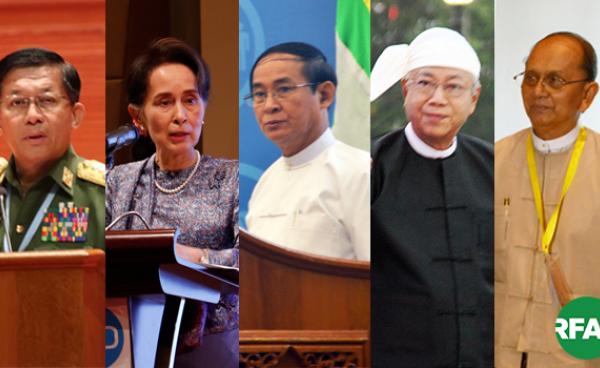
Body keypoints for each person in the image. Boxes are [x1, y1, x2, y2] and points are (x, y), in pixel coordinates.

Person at [105, 38, 238, 367]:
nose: (181, 115)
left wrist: (183, 257)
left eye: (190, 100)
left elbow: (250, 259)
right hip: (125, 341)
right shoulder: (117, 181)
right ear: (138, 117)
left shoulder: (231, 178)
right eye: (164, 103)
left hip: (211, 347)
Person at [370, 27, 493, 367]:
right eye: (425, 83)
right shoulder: (371, 167)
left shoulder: (496, 168)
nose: (437, 98)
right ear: (406, 89)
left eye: (453, 86)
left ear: (474, 98)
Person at [495, 32, 600, 368]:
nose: (539, 91)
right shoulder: (491, 162)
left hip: (574, 357)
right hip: (501, 351)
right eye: (531, 78)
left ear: (587, 95)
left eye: (555, 80)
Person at [244, 42, 369, 261]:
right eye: (260, 94)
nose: (269, 105)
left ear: (324, 95)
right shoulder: (265, 184)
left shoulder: (359, 173)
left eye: (283, 89)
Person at [0, 48, 104, 252]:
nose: (32, 116)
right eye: (17, 102)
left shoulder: (103, 194)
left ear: (75, 115)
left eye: (47, 101)